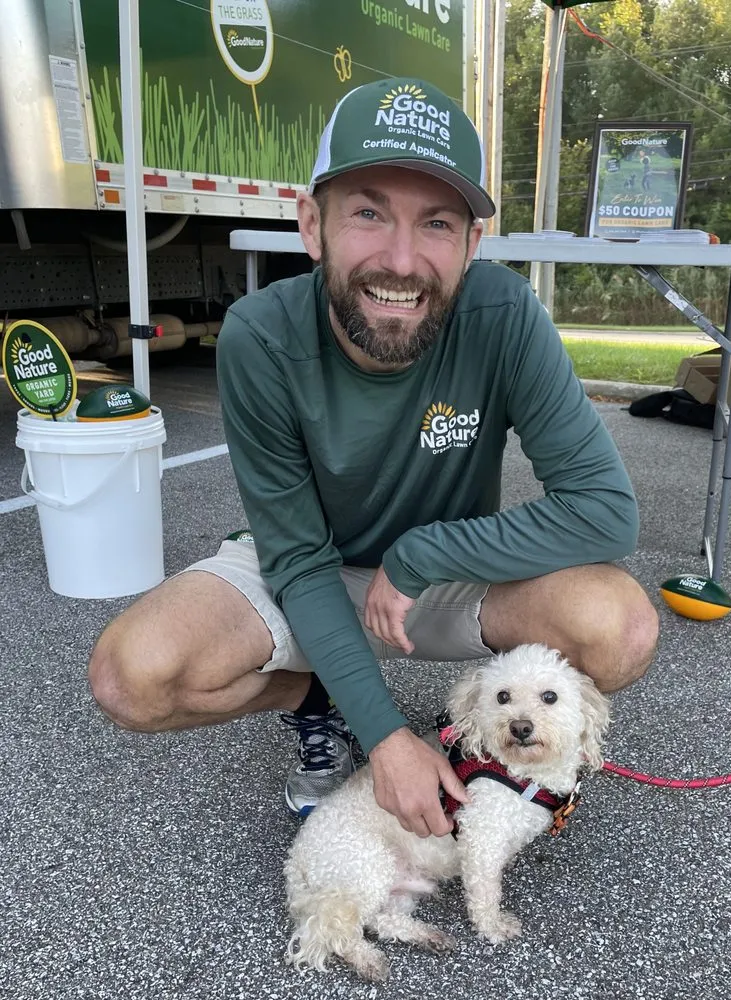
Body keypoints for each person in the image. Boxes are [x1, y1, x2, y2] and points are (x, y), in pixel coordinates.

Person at [88, 76, 658, 840]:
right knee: (131, 678)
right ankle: (316, 698)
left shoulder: (503, 313)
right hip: (306, 565)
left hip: (437, 580)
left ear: (471, 245)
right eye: (366, 212)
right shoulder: (259, 335)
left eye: (435, 224)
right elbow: (296, 558)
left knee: (618, 627)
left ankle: (492, 754)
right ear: (310, 225)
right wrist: (388, 736)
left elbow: (604, 512)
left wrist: (423, 550)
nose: (400, 259)